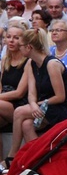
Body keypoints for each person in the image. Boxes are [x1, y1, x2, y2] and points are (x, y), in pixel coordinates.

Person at [6, 28, 67, 166]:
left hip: (63, 108)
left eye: (21, 45)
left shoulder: (52, 64)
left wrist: (39, 104)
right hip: (45, 106)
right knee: (26, 124)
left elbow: (60, 97)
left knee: (19, 111)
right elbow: (31, 93)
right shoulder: (31, 63)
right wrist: (33, 105)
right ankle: (40, 160)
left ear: (29, 47)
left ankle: (12, 156)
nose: (18, 49)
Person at [0, 23, 29, 166]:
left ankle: (10, 158)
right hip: (3, 103)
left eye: (16, 38)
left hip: (20, 104)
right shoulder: (5, 59)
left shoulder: (28, 61)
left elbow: (19, 93)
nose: (11, 40)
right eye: (8, 37)